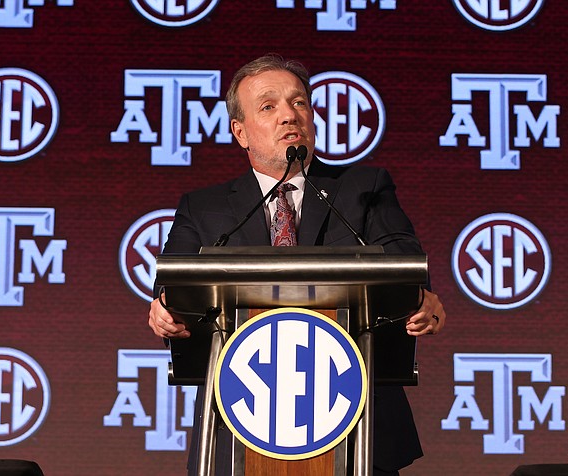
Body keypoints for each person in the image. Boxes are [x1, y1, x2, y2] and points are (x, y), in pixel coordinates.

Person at [148, 54, 446, 475]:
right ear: (241, 132)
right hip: (240, 427)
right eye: (268, 107)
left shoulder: (363, 189)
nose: (289, 115)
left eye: (300, 103)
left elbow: (405, 267)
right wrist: (164, 309)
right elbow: (172, 288)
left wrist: (420, 297)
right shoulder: (203, 208)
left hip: (357, 423)